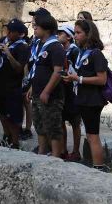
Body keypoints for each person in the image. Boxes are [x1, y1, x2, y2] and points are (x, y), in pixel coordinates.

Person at [65, 18, 109, 171]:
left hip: (92, 100)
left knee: (92, 135)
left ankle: (99, 167)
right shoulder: (82, 52)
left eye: (78, 33)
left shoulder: (96, 54)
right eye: (75, 32)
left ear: (88, 34)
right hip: (83, 99)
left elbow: (102, 79)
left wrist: (78, 78)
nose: (75, 36)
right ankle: (95, 164)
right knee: (89, 135)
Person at [25, 11, 65, 157]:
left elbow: (57, 72)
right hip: (37, 91)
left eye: (37, 27)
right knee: (39, 124)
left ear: (47, 29)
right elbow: (38, 69)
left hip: (51, 96)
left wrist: (47, 91)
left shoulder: (55, 47)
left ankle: (56, 155)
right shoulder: (40, 45)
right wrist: (31, 87)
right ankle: (42, 151)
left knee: (52, 126)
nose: (34, 29)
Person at [0, 19, 30, 149]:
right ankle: (6, 136)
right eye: (8, 30)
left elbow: (19, 68)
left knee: (12, 115)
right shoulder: (5, 41)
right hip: (0, 83)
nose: (8, 33)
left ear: (20, 34)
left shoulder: (23, 47)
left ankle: (15, 142)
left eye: (11, 31)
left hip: (13, 86)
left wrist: (8, 54)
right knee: (1, 112)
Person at [58, 24, 82, 161]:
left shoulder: (75, 51)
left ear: (68, 36)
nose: (58, 35)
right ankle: (63, 149)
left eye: (61, 33)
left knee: (74, 122)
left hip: (72, 91)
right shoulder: (61, 50)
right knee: (61, 121)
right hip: (62, 91)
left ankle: (76, 151)